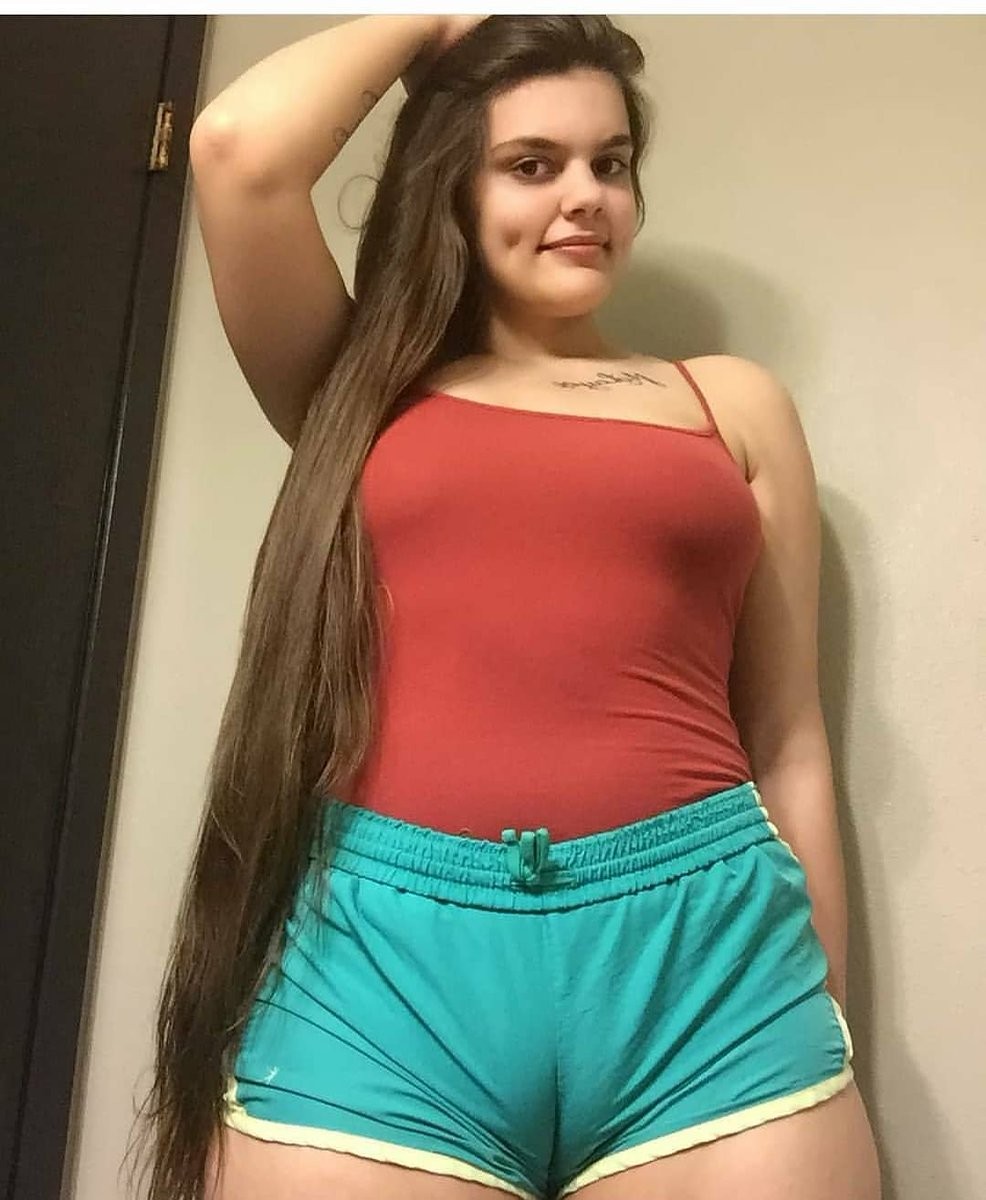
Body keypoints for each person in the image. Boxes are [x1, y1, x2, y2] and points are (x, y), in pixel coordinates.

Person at [126, 15, 883, 1200]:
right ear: (452, 186)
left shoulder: (728, 404)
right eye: (531, 163)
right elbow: (237, 151)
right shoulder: (357, 388)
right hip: (385, 969)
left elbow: (786, 738)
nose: (585, 196)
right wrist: (439, 21)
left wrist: (817, 1007)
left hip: (707, 961)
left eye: (609, 163)